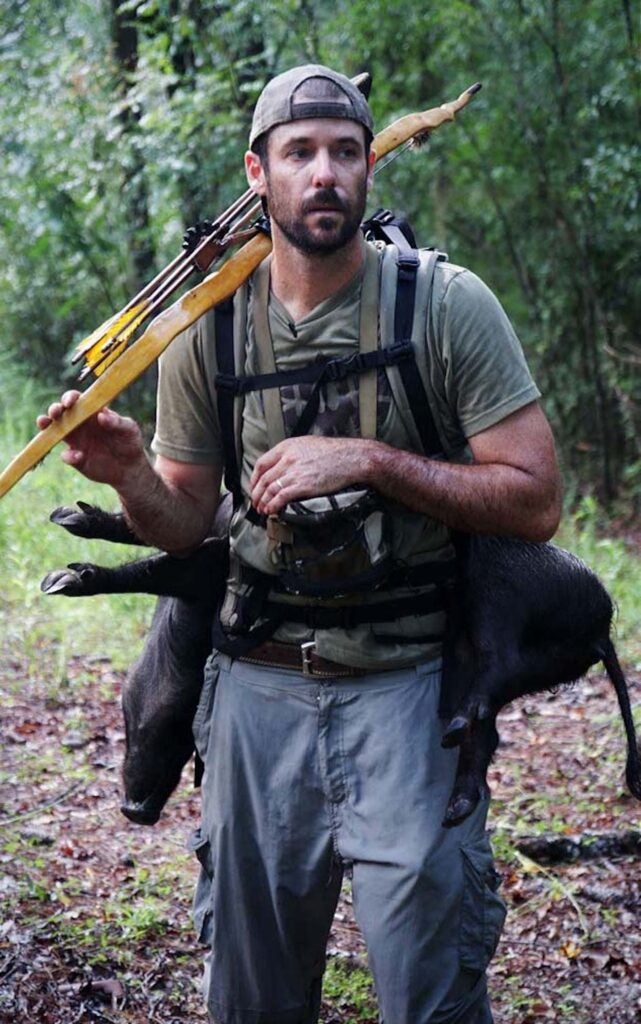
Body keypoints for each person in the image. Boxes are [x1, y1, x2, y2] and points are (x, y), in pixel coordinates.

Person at [38, 65, 561, 1024]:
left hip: (409, 692)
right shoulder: (204, 334)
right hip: (257, 691)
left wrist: (370, 460)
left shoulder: (442, 306)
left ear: (368, 166)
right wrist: (128, 476)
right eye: (299, 153)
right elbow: (186, 522)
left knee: (429, 990)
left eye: (344, 152)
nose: (324, 173)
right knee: (251, 996)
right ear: (258, 174)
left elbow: (534, 502)